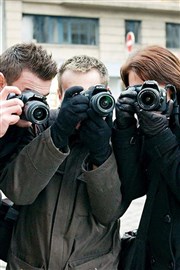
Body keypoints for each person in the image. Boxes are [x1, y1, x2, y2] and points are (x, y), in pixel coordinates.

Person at [0, 55, 122, 269]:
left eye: (91, 94)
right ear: (59, 95)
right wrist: (57, 134)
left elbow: (109, 212)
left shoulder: (118, 138)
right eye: (75, 95)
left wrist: (101, 153)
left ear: (106, 95)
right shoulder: (36, 124)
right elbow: (18, 191)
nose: (83, 105)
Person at [112, 45, 180, 270]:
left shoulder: (158, 128)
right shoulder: (148, 127)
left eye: (152, 89)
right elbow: (132, 188)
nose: (145, 97)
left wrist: (160, 134)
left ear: (172, 87)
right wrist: (124, 127)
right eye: (137, 90)